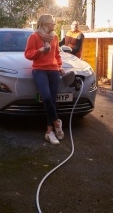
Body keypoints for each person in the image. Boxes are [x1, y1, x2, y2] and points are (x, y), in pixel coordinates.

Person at [24, 14, 65, 145]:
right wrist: (40, 51)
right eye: (52, 22)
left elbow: (57, 54)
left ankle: (49, 132)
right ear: (45, 23)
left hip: (53, 70)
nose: (54, 24)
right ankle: (57, 122)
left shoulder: (55, 37)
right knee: (46, 98)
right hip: (39, 70)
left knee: (53, 100)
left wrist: (59, 66)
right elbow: (28, 54)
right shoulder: (34, 37)